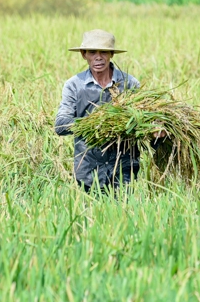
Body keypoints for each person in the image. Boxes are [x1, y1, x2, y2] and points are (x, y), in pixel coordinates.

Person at [54, 29, 164, 193]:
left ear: (111, 54)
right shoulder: (75, 85)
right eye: (92, 52)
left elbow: (142, 125)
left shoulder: (129, 84)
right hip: (88, 172)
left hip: (124, 169)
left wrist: (156, 134)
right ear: (84, 54)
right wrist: (97, 122)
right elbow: (61, 125)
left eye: (104, 52)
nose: (98, 57)